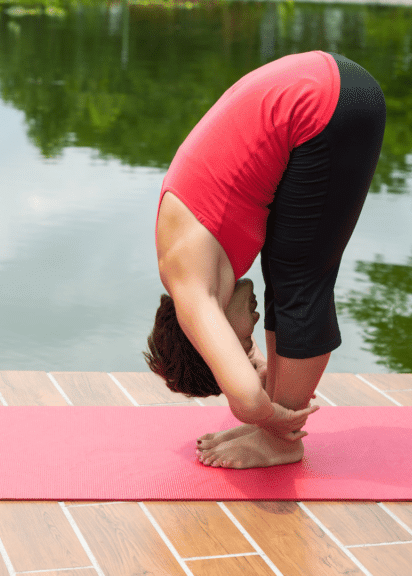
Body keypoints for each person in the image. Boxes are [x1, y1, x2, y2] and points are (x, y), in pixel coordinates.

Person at [145, 50, 386, 469]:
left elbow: (244, 398)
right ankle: (271, 435)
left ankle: (280, 441)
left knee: (299, 281)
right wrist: (262, 375)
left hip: (324, 104)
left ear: (207, 331)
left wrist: (269, 417)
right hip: (325, 89)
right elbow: (247, 378)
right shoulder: (189, 260)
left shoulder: (193, 290)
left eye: (238, 342)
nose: (250, 333)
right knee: (286, 269)